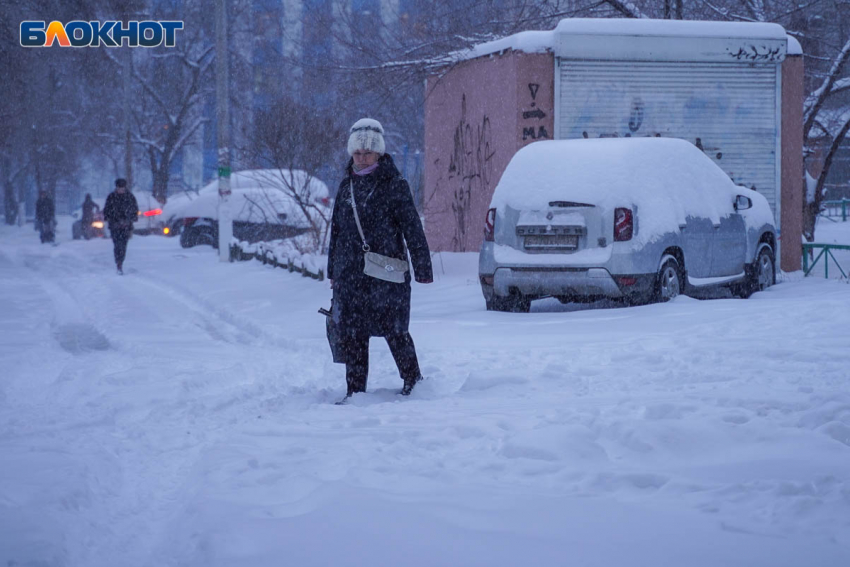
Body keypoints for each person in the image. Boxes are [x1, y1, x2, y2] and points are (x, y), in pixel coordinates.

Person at [327, 118, 433, 402]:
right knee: (353, 334)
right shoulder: (345, 186)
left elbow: (412, 227)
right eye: (357, 152)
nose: (362, 158)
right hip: (350, 275)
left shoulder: (394, 184)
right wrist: (333, 272)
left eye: (368, 152)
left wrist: (422, 267)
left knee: (395, 330)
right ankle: (355, 391)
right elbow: (336, 231)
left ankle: (413, 381)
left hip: (386, 273)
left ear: (379, 153)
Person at [103, 178, 138, 275]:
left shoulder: (130, 197)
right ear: (116, 187)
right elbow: (106, 210)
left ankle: (120, 262)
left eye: (122, 188)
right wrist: (111, 218)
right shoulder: (111, 197)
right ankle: (118, 263)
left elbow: (135, 210)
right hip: (115, 226)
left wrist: (131, 218)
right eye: (119, 188)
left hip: (126, 226)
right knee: (117, 245)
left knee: (123, 245)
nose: (121, 190)